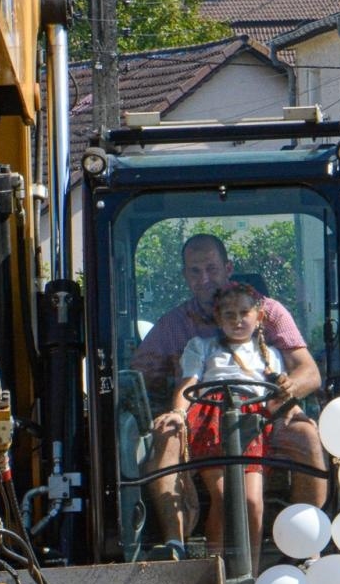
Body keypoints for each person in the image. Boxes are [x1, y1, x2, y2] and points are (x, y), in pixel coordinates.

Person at [132, 233, 326, 555]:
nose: (204, 278)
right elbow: (139, 374)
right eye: (195, 271)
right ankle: (174, 543)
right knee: (166, 433)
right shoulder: (176, 326)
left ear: (228, 268)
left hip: (264, 412)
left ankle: (307, 544)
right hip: (204, 416)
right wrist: (167, 407)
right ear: (185, 275)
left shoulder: (269, 311)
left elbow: (309, 372)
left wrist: (286, 392)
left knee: (306, 435)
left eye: (211, 268)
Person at [159, 282, 285, 561]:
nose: (237, 320)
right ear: (218, 318)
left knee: (252, 502)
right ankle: (215, 570)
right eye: (229, 314)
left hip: (252, 422)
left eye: (244, 313)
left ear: (259, 317)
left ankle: (251, 570)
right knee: (225, 497)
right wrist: (178, 412)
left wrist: (293, 413)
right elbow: (189, 384)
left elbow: (276, 397)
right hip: (212, 418)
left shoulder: (271, 356)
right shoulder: (201, 346)